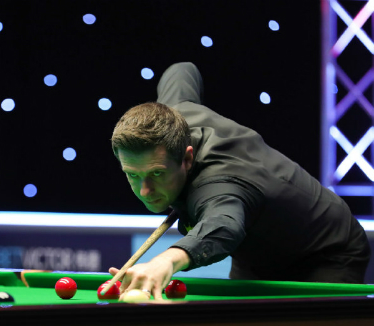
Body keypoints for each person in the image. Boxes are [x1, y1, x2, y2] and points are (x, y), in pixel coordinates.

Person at [110, 62, 370, 299]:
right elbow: (182, 70)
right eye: (133, 175)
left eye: (157, 174)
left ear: (187, 158)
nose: (145, 190)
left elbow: (224, 225)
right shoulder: (171, 117)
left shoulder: (220, 182)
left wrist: (165, 261)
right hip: (256, 252)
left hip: (324, 252)